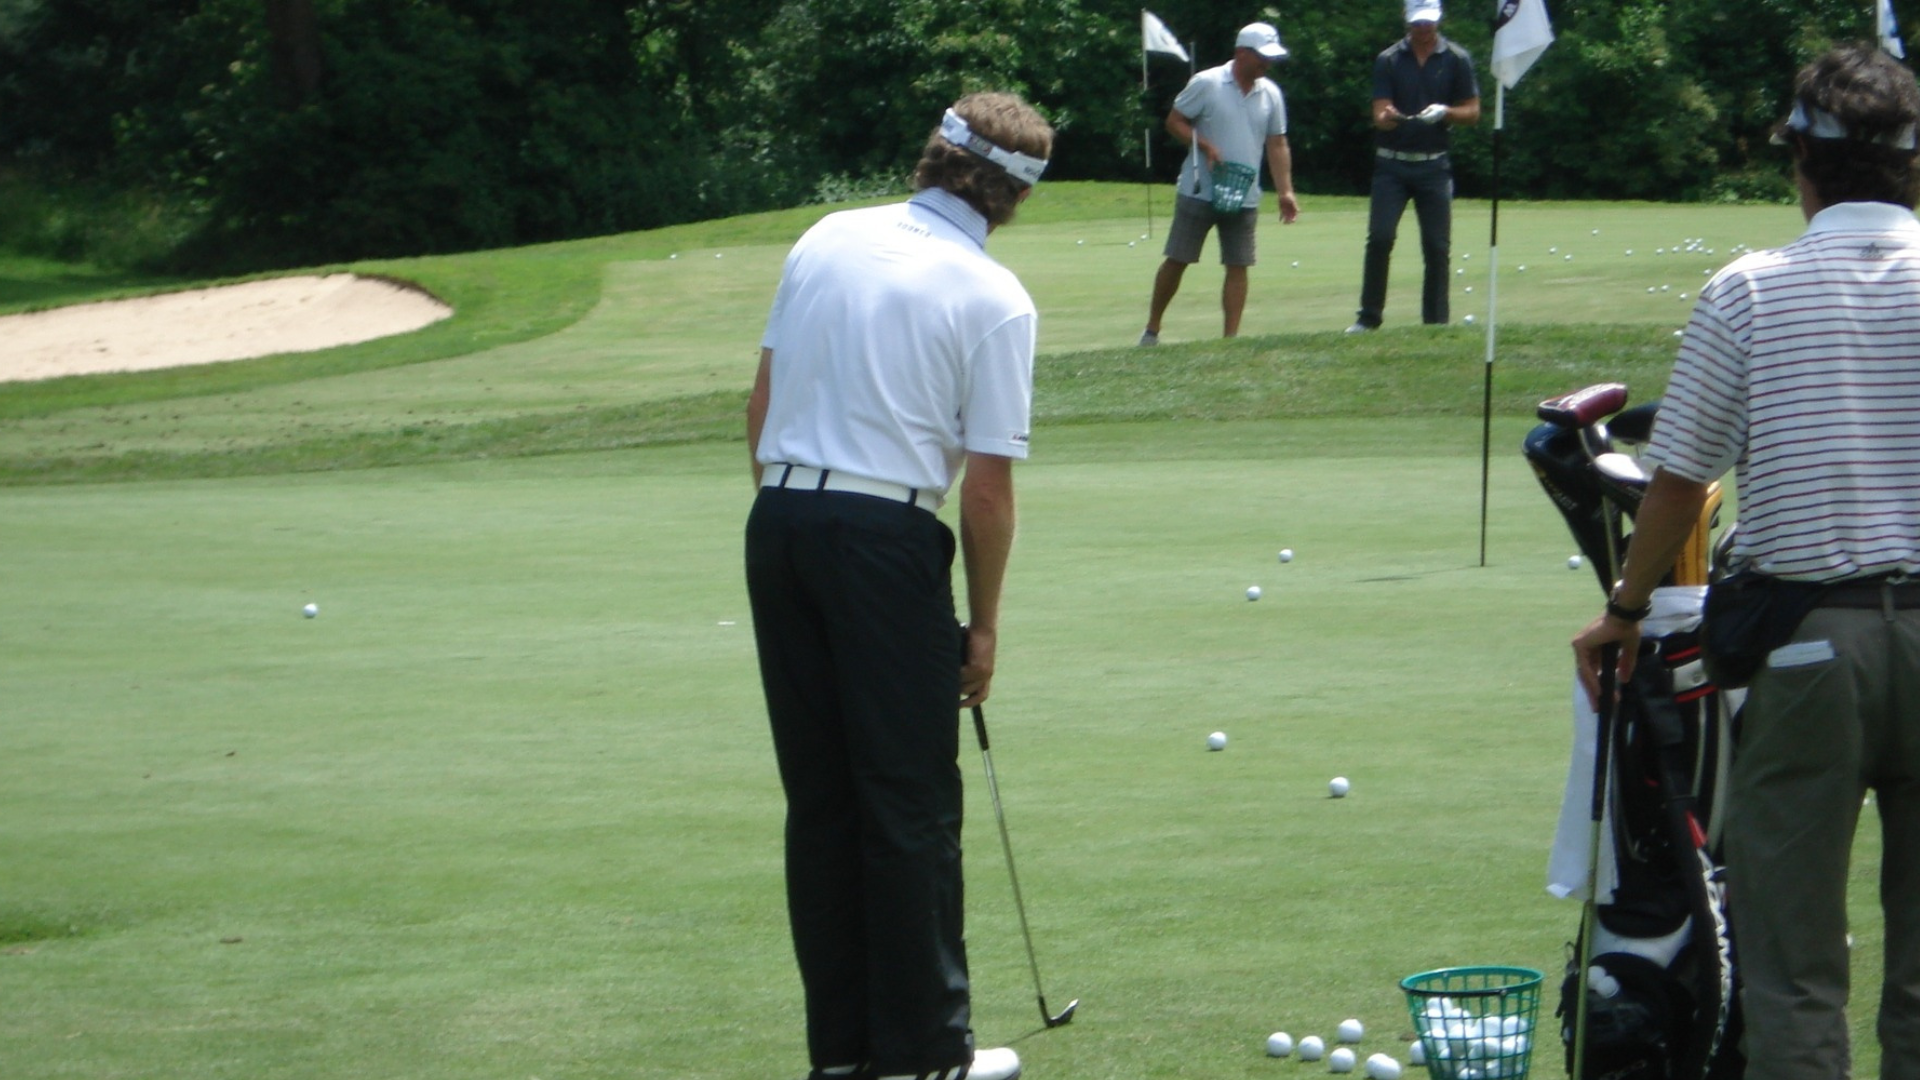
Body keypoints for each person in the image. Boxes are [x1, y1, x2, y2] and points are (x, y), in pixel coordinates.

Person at [1571, 44, 1920, 1078]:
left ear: (1800, 163)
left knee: (1794, 960)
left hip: (1809, 653)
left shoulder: (1751, 291)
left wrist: (1625, 610)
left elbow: (1680, 481)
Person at [744, 92, 1051, 1080]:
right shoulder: (994, 295)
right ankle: (927, 1057)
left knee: (824, 805)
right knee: (909, 806)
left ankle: (843, 1057)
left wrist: (806, 520)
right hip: (882, 539)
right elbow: (989, 494)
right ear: (1011, 197)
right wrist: (986, 629)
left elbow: (759, 407)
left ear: (933, 158)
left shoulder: (828, 235)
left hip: (779, 527)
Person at [1138, 21, 1299, 345]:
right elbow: (1175, 121)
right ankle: (1152, 330)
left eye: (1270, 57)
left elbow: (1277, 143)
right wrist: (1206, 145)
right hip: (1199, 189)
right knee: (1178, 258)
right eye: (1261, 57)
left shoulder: (1271, 94)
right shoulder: (1207, 83)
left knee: (1238, 264)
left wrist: (1285, 191)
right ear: (1241, 53)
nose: (1267, 63)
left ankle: (1231, 341)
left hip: (1245, 195)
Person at [1345, 0, 1479, 333]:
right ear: (1408, 21)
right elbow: (1379, 114)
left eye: (1429, 23)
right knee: (1380, 238)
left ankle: (1435, 323)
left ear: (1438, 20)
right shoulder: (1389, 60)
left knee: (1436, 246)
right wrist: (1388, 119)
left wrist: (1445, 112)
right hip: (1391, 165)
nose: (1424, 29)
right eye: (1418, 23)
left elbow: (1473, 112)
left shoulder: (1456, 59)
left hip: (1434, 167)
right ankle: (1368, 318)